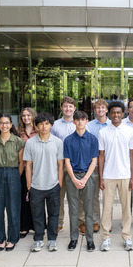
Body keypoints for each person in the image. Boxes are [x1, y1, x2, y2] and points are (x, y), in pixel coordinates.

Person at [98, 101, 133, 251]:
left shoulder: (130, 131)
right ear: (109, 113)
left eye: (118, 112)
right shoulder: (102, 132)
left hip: (125, 175)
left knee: (126, 209)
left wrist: (132, 177)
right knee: (106, 209)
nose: (115, 115)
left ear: (123, 114)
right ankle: (105, 238)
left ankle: (127, 237)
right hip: (108, 175)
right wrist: (101, 177)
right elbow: (101, 156)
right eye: (113, 112)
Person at [24, 112, 64, 252]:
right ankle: (38, 239)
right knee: (38, 214)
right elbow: (28, 165)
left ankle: (52, 239)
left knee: (54, 214)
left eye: (46, 123)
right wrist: (29, 184)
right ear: (36, 126)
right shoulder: (30, 143)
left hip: (53, 185)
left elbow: (60, 164)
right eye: (41, 124)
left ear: (51, 125)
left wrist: (59, 183)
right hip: (36, 186)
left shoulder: (58, 142)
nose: (44, 126)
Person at [0, 114, 25, 252]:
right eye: (1, 123)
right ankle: (1, 238)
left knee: (13, 208)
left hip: (13, 173)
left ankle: (13, 239)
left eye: (7, 123)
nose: (4, 125)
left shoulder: (18, 141)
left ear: (11, 124)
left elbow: (21, 162)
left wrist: (15, 176)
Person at [64, 110, 98, 252]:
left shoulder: (92, 139)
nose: (80, 122)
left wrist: (84, 178)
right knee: (73, 210)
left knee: (89, 210)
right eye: (77, 120)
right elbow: (67, 161)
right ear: (73, 122)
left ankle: (90, 240)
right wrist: (73, 178)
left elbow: (94, 160)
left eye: (82, 119)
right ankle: (74, 238)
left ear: (86, 121)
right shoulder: (68, 140)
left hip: (88, 176)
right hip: (72, 176)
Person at [85, 99, 112, 233]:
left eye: (103, 108)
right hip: (94, 165)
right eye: (97, 108)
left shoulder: (113, 124)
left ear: (107, 110)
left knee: (108, 195)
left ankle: (108, 221)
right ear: (94, 110)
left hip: (110, 165)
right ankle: (95, 221)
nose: (100, 110)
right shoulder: (89, 126)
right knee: (94, 195)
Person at [51, 97, 76, 233]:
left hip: (75, 165)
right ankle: (58, 221)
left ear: (74, 108)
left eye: (70, 107)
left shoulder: (79, 123)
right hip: (59, 165)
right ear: (62, 108)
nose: (68, 109)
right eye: (65, 106)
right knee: (58, 196)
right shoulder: (55, 125)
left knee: (77, 196)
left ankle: (80, 221)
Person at [17, 107, 39, 238]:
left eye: (28, 115)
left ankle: (37, 225)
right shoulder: (18, 132)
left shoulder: (39, 131)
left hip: (37, 170)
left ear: (33, 116)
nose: (26, 118)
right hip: (23, 169)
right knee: (23, 199)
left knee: (37, 199)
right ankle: (24, 226)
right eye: (23, 115)